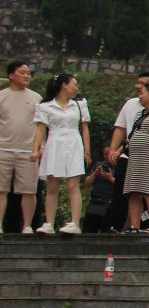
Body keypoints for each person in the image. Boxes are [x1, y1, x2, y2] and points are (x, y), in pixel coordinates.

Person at [107, 71, 149, 231]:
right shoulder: (140, 113)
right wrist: (119, 150)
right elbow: (131, 135)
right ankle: (134, 225)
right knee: (133, 191)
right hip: (134, 157)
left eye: (143, 92)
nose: (140, 96)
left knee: (148, 190)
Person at [32, 74, 91, 234]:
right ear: (64, 85)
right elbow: (40, 130)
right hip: (54, 143)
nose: (76, 88)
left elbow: (85, 128)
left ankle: (75, 223)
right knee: (52, 186)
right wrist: (35, 150)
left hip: (74, 143)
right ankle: (49, 223)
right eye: (74, 84)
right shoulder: (46, 106)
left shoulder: (79, 105)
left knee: (73, 185)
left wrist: (87, 150)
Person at [0, 61, 41, 234]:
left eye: (28, 73)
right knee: (1, 189)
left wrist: (40, 146)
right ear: (11, 75)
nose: (27, 76)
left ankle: (27, 225)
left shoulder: (36, 98)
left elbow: (42, 126)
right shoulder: (2, 96)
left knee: (29, 190)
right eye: (22, 72)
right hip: (3, 149)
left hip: (29, 151)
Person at [81, 151, 116, 234]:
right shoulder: (98, 165)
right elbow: (86, 184)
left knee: (107, 234)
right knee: (88, 233)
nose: (107, 156)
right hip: (94, 203)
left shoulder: (120, 166)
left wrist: (110, 178)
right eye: (105, 154)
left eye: (109, 153)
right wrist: (94, 174)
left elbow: (122, 186)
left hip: (110, 205)